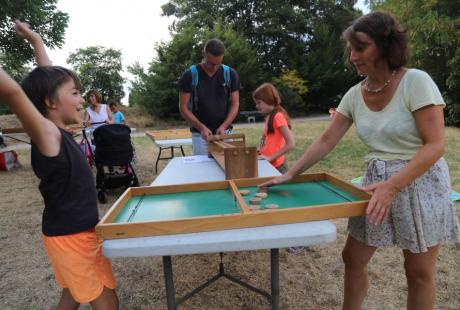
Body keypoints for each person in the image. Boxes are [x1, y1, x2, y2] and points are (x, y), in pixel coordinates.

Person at [260, 11, 460, 309]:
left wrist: (392, 186)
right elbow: (327, 139)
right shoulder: (355, 94)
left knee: (418, 272)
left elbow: (435, 146)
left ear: (385, 46)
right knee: (353, 258)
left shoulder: (416, 81)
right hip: (374, 182)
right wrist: (291, 174)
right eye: (351, 49)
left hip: (419, 182)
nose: (353, 56)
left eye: (361, 47)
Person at [9, 20, 119, 309]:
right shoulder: (47, 134)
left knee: (73, 297)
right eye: (75, 93)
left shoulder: (58, 132)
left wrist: (36, 41)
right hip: (69, 237)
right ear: (50, 102)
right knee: (107, 304)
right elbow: (16, 94)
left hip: (83, 231)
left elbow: (46, 81)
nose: (81, 99)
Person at [178, 38, 240, 155]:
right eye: (211, 63)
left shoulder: (230, 74)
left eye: (218, 63)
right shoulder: (190, 75)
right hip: (200, 134)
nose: (214, 67)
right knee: (203, 171)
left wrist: (224, 126)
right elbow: (183, 107)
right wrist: (201, 127)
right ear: (203, 54)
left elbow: (235, 103)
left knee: (228, 168)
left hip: (224, 132)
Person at [252, 83, 295, 174]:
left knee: (280, 189)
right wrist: (261, 150)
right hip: (270, 164)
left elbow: (290, 144)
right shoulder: (269, 117)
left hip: (278, 167)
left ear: (268, 99)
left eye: (259, 102)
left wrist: (270, 158)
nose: (257, 106)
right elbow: (269, 140)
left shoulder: (278, 116)